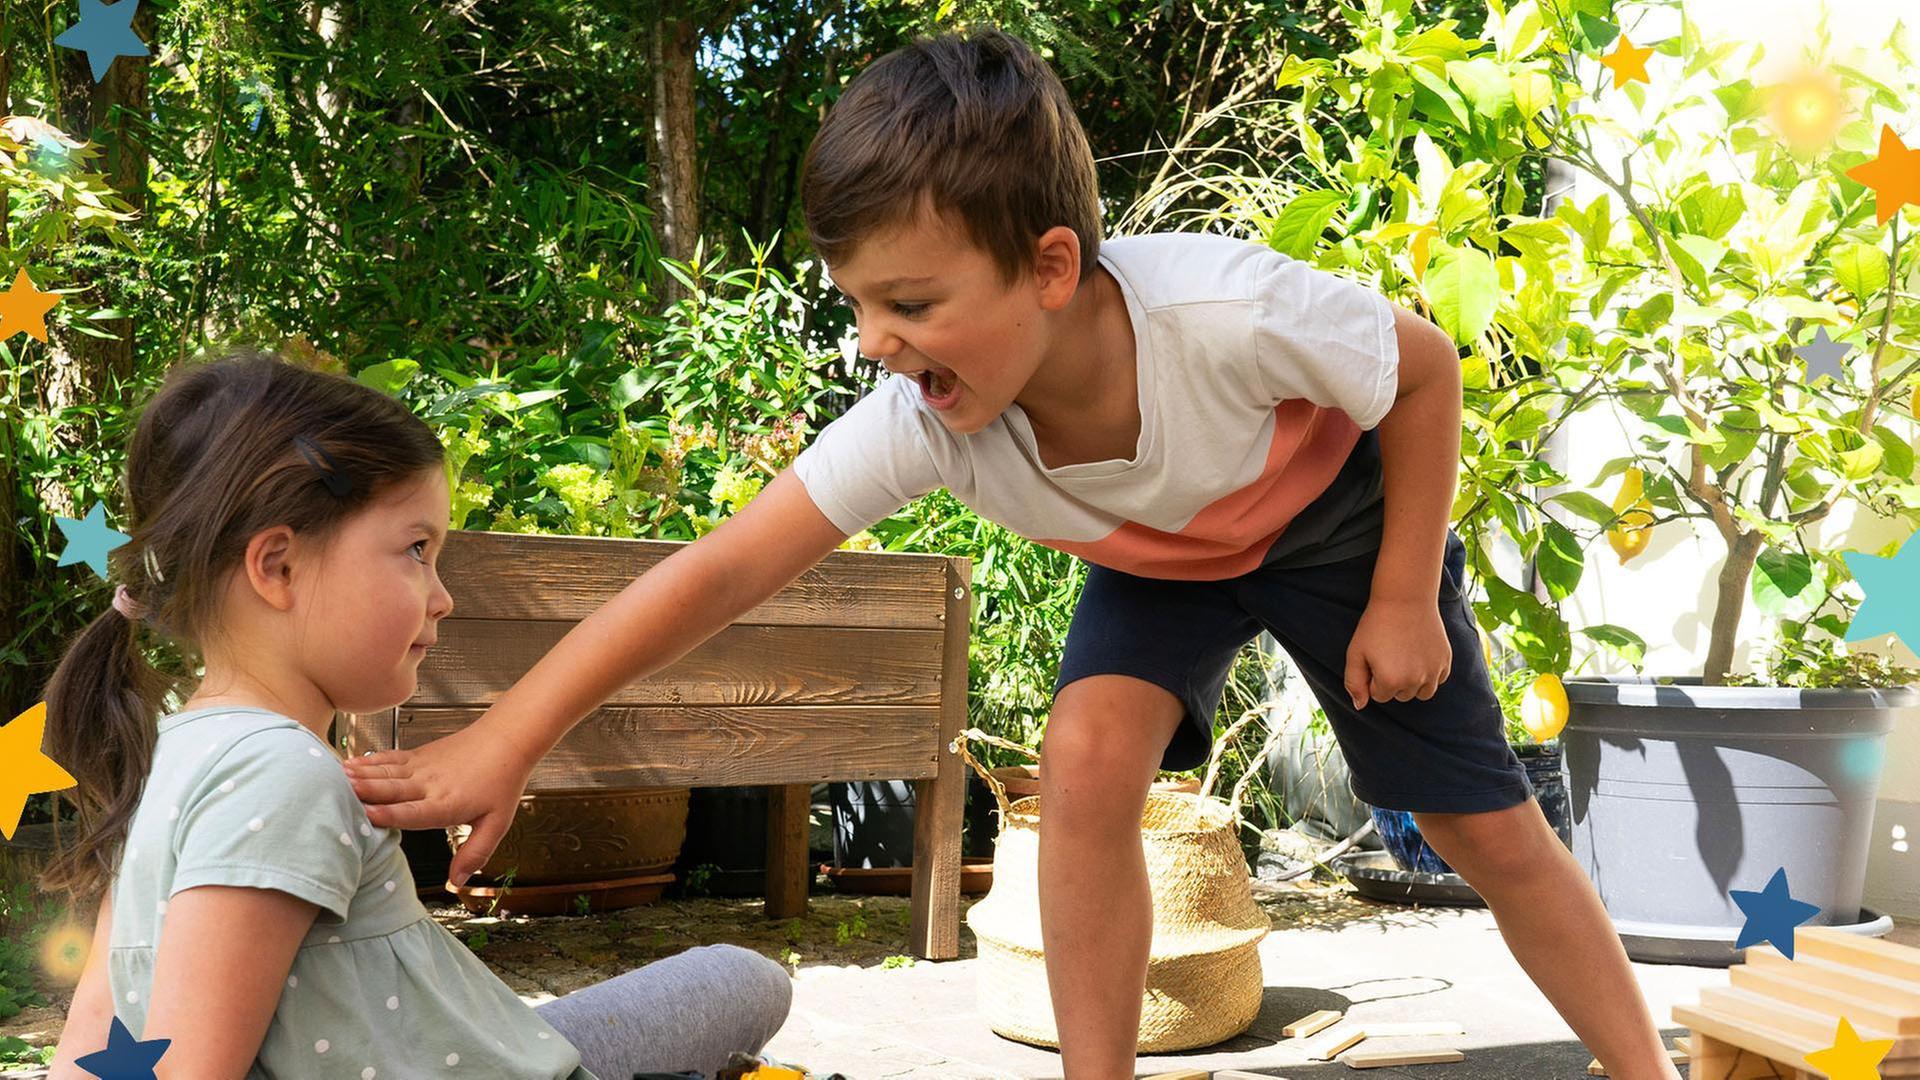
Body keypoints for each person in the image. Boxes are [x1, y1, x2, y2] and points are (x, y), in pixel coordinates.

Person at [345, 28, 1684, 1080]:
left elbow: (1427, 370)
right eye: (859, 305)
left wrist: (1403, 594)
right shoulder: (927, 417)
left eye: (913, 302)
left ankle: (1638, 1066)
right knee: (1091, 763)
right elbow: (721, 573)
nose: (877, 341)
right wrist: (511, 734)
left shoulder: (1221, 313)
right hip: (1162, 559)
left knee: (1479, 826)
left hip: (1336, 524)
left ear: (1051, 266)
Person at [39, 353, 792, 1080]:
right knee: (743, 979)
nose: (442, 596)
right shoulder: (278, 771)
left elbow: (92, 1035)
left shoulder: (168, 750)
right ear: (277, 567)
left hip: (485, 1043)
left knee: (734, 983)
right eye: (416, 550)